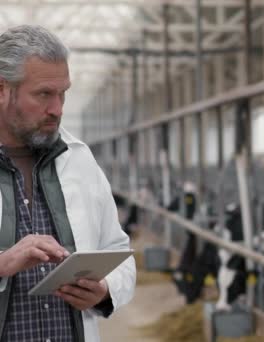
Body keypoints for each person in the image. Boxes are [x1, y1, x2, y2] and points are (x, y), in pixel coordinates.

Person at [0, 25, 136, 341]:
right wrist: (3, 263)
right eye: (44, 94)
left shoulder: (79, 161)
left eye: (63, 93)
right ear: (2, 90)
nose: (58, 110)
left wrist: (104, 291)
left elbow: (118, 252)